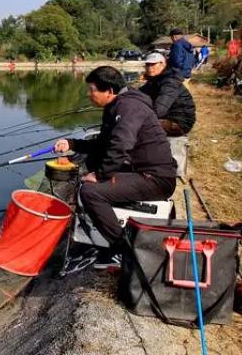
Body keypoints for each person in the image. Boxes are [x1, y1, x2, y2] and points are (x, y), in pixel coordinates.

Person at [54, 66, 176, 268]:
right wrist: (73, 144)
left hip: (155, 178)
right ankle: (106, 239)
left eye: (92, 90)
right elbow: (104, 145)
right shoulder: (117, 106)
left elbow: (121, 146)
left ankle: (122, 250)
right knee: (91, 172)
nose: (89, 94)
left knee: (91, 192)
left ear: (109, 91)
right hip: (140, 171)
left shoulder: (128, 108)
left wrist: (101, 175)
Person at [139, 52, 196, 136]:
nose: (150, 68)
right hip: (167, 116)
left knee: (138, 124)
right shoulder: (155, 79)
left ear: (163, 64)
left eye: (153, 64)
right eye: (147, 64)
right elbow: (139, 93)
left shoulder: (170, 82)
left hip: (179, 122)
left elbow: (159, 111)